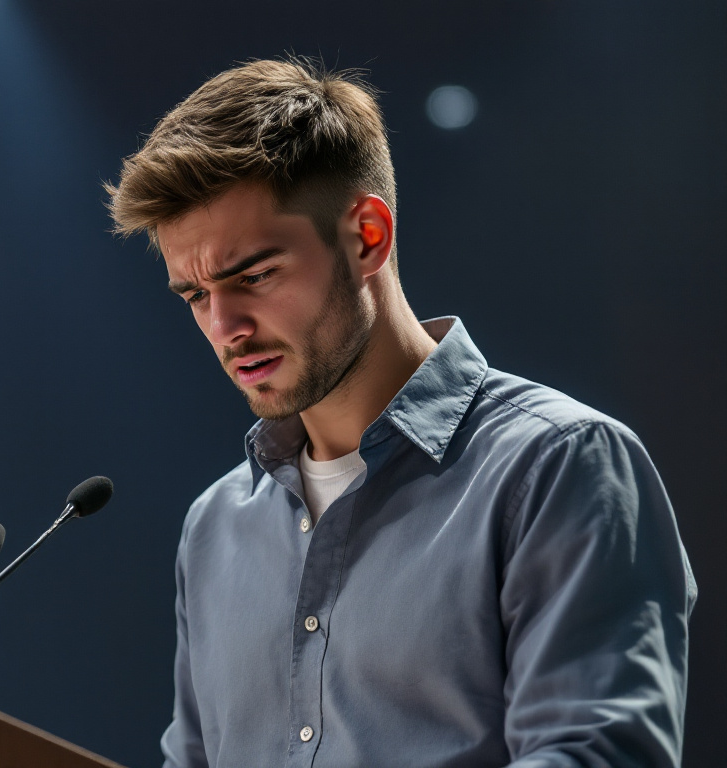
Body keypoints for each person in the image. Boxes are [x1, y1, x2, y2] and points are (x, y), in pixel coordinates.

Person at [105, 58, 697, 768]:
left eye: (254, 275)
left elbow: (596, 756)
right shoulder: (216, 526)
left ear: (367, 237)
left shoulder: (557, 465)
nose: (224, 325)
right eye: (194, 295)